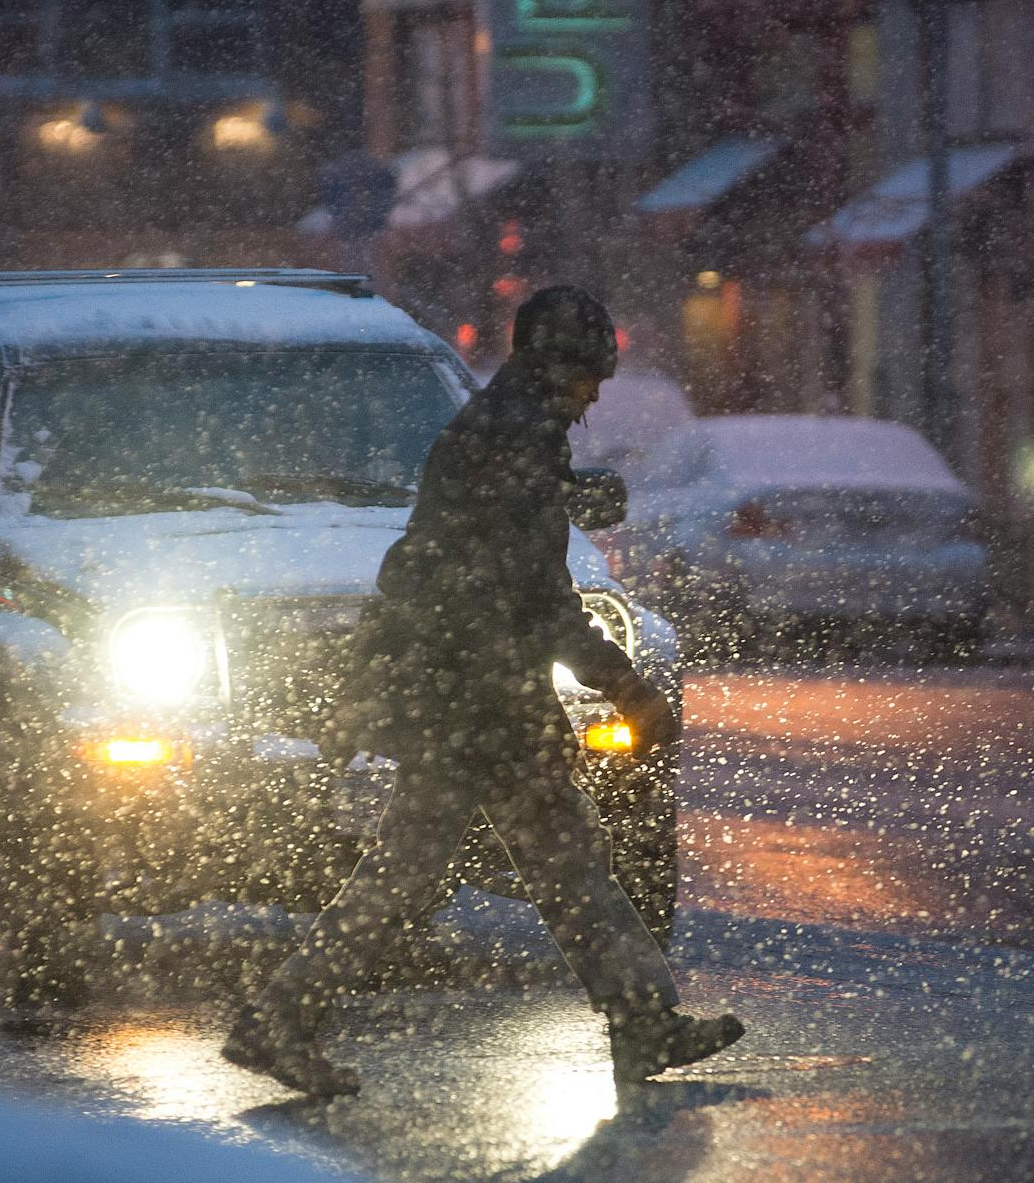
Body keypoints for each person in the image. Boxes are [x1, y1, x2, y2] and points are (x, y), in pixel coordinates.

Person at [224, 285, 744, 1096]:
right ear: (557, 366)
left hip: (460, 689)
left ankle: (642, 1019)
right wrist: (627, 688)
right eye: (590, 374)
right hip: (476, 697)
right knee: (494, 865)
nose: (597, 393)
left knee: (532, 861)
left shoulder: (509, 431)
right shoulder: (515, 440)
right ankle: (282, 1017)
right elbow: (534, 598)